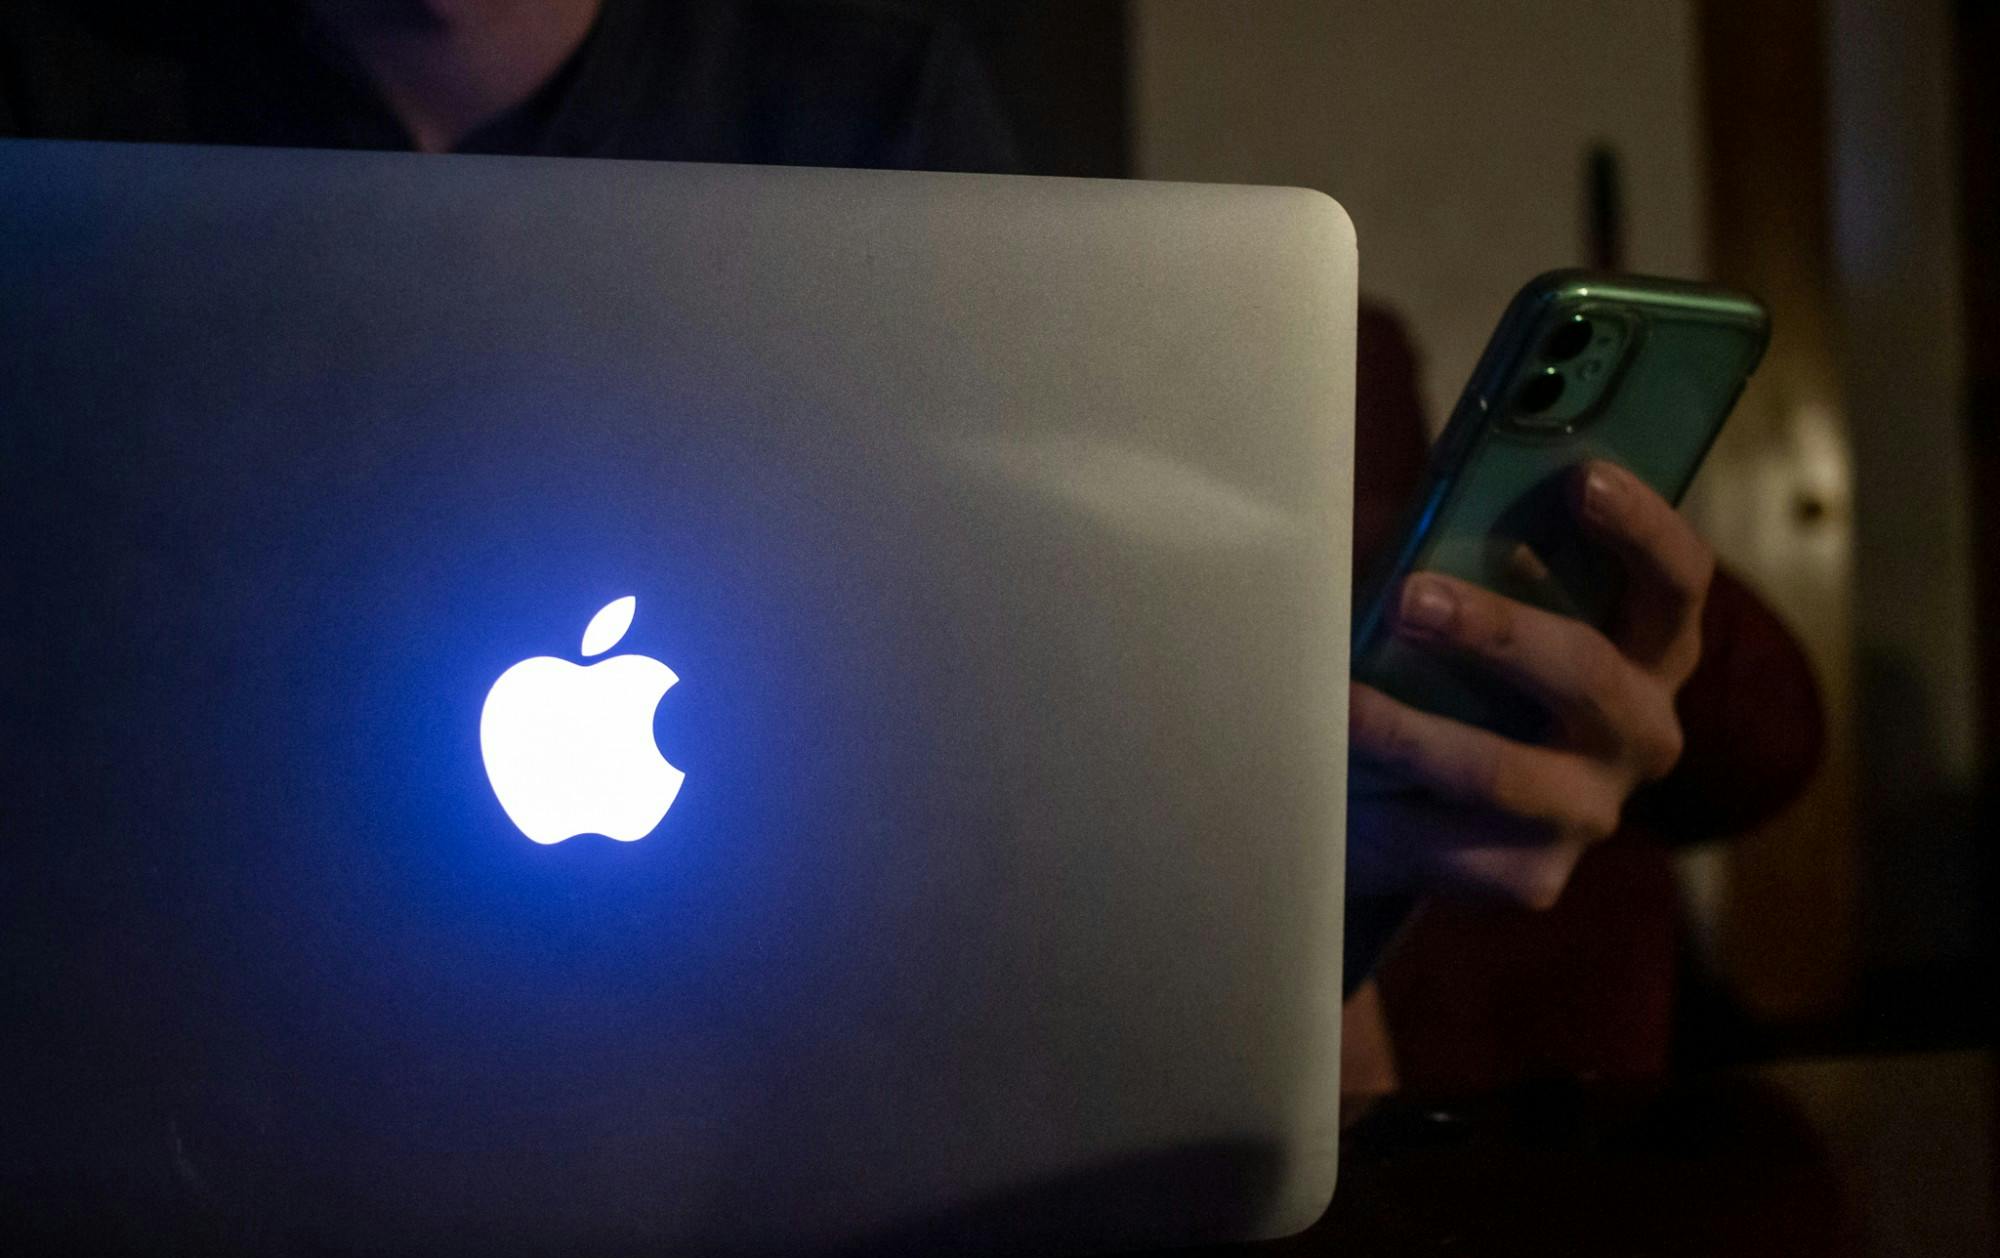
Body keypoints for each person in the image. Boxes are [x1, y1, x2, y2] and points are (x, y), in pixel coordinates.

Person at [0, 0, 1822, 1089]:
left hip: (755, 1121)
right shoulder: (57, 93)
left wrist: (1327, 884)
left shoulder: (879, 107)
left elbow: (1019, 734)